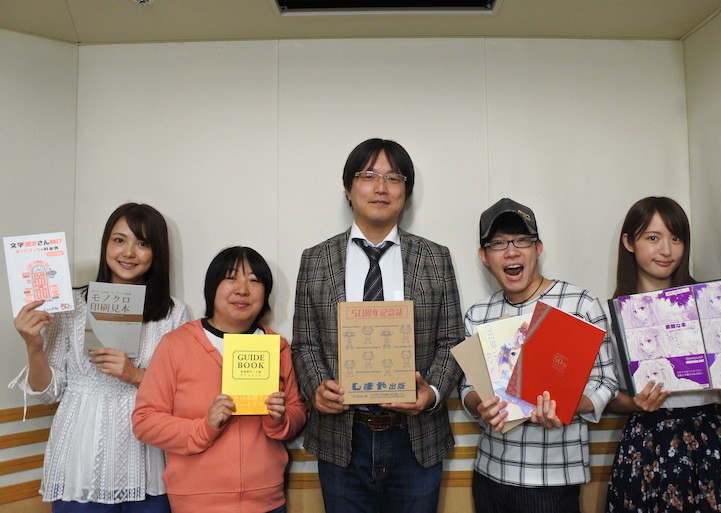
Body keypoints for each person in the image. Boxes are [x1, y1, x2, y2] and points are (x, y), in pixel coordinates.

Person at [291, 138, 464, 513]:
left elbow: (452, 340)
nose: (381, 187)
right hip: (342, 437)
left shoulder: (435, 257)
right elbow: (305, 344)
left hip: (416, 438)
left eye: (393, 178)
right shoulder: (316, 259)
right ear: (348, 189)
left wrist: (433, 392)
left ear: (406, 192)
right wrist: (317, 388)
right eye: (368, 175)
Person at [9, 203, 188, 512]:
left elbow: (185, 391)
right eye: (119, 240)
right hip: (80, 459)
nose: (128, 252)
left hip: (144, 459)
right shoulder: (71, 305)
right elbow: (47, 393)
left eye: (142, 243)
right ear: (106, 244)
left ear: (156, 252)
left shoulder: (172, 313)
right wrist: (33, 346)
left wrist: (136, 375)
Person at [605, 196, 721, 513]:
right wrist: (634, 403)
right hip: (646, 444)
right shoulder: (613, 317)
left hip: (709, 441)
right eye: (653, 238)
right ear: (629, 242)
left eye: (676, 238)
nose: (666, 250)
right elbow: (608, 395)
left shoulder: (713, 305)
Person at [460, 198, 618, 513]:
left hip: (553, 480)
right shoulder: (478, 314)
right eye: (498, 243)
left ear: (538, 248)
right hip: (490, 474)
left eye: (522, 240)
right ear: (484, 256)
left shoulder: (580, 304)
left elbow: (607, 382)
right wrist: (480, 405)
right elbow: (467, 387)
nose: (511, 251)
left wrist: (567, 405)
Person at [132, 247, 305, 513]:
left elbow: (297, 412)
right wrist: (205, 427)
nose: (242, 289)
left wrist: (279, 419)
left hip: (267, 501)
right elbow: (145, 422)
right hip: (197, 503)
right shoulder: (176, 344)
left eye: (254, 280)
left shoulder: (276, 347)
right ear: (212, 287)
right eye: (231, 278)